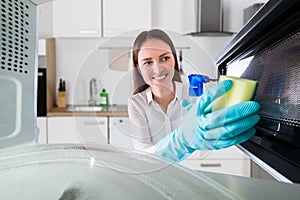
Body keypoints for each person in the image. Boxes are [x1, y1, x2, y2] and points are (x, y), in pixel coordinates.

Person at [128, 29, 260, 162]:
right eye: (147, 62)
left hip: (197, 167)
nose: (158, 69)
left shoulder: (198, 90)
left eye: (164, 58)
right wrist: (182, 140)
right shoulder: (137, 103)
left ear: (174, 60)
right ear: (138, 68)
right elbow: (142, 155)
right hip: (157, 171)